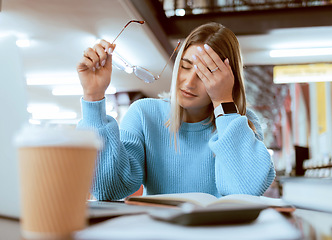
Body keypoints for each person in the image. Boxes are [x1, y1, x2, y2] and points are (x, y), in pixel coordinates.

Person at [77, 22, 275, 200]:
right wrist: (93, 97)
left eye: (205, 74)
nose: (189, 83)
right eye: (185, 67)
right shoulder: (144, 114)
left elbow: (245, 191)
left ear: (227, 80)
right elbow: (108, 189)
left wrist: (224, 102)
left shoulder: (241, 122)